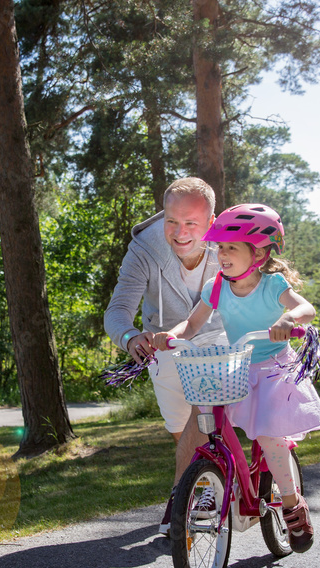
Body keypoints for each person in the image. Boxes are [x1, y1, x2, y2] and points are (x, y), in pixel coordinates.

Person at [150, 203, 320, 552]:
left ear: (259, 253)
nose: (222, 254)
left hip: (273, 369)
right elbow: (192, 324)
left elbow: (305, 308)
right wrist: (169, 336)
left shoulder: (272, 285)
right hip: (237, 368)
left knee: (268, 435)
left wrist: (289, 320)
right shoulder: (216, 286)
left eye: (231, 247)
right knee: (209, 424)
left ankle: (293, 504)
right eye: (219, 248)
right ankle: (205, 489)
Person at [104, 177, 227, 535]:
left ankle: (183, 496)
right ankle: (203, 484)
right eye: (172, 221)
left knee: (201, 412)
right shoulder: (145, 248)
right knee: (180, 429)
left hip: (218, 338)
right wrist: (129, 338)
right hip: (165, 345)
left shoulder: (228, 244)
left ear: (211, 220)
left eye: (192, 223)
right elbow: (117, 311)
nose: (180, 232)